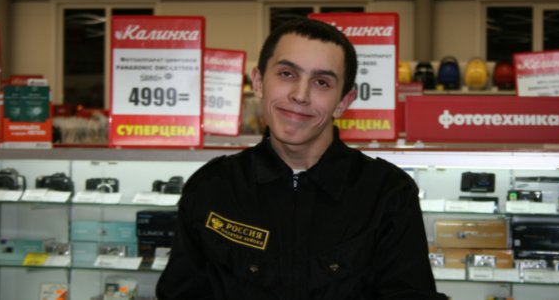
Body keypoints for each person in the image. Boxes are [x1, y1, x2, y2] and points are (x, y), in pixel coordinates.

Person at [156, 18, 447, 300]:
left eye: (321, 82)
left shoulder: (387, 193)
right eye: (287, 74)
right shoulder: (211, 188)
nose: (300, 95)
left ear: (343, 102)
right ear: (259, 82)